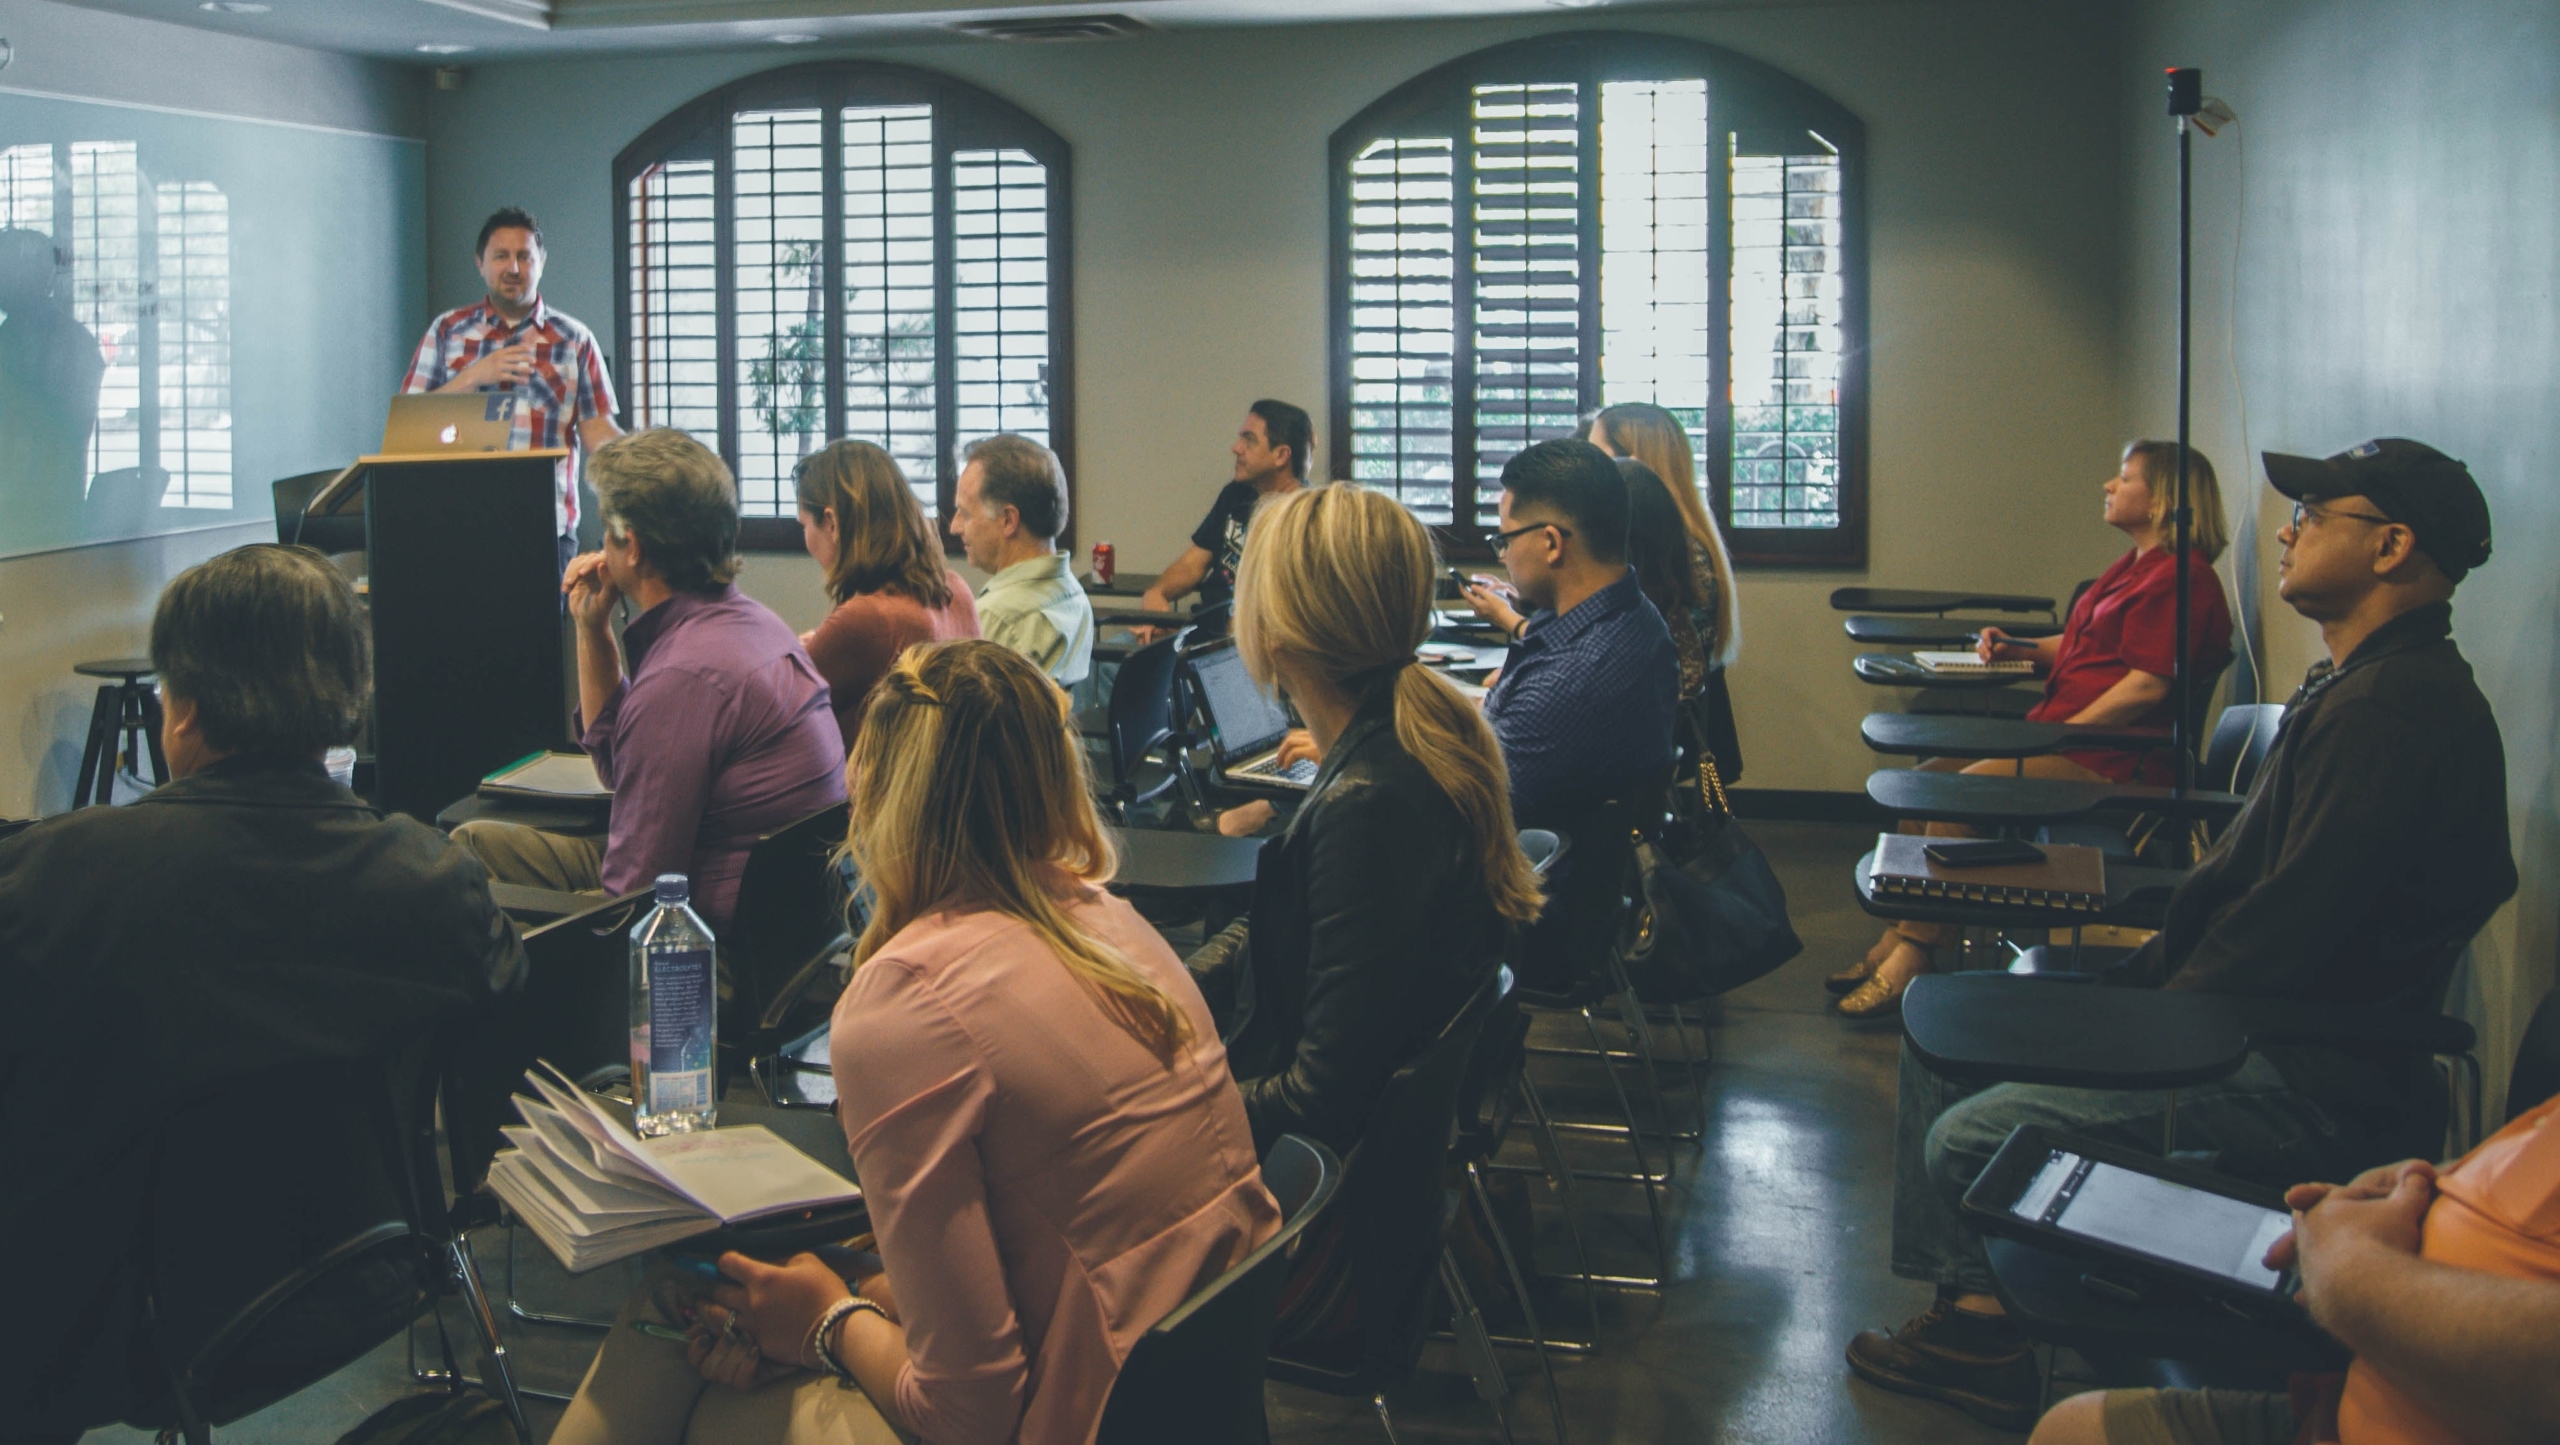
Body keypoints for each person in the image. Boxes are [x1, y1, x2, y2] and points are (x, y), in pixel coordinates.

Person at [1847, 438, 2517, 1433]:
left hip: (2295, 1064)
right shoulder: (2355, 686)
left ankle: (1988, 1337)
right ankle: (1976, 1316)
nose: (2286, 529)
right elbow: (2246, 902)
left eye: (2314, 514)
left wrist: (2125, 1022)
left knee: (1969, 1130)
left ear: (2391, 546)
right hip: (2231, 1012)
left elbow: (2282, 938)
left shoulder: (2393, 715)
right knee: (1938, 1028)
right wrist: (2118, 996)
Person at [550, 640, 1279, 1445]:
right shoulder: (1116, 924)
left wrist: (828, 1320)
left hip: (1080, 1409)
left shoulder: (908, 1003)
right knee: (699, 1303)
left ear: (878, 800)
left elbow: (971, 1416)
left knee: (697, 1365)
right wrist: (850, 1302)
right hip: (1170, 1391)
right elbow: (1039, 1250)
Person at [0, 544, 524, 1443]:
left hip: (111, 1332)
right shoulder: (436, 882)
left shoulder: (57, 881)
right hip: (360, 1275)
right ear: (343, 702)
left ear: (186, 707)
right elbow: (498, 1001)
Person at [1185, 484, 1544, 1157]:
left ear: (1278, 630)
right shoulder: (1408, 741)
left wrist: (1159, 1108)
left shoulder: (1369, 803)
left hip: (1318, 1191)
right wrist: (1169, 986)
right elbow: (1290, 922)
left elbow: (1320, 1098)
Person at [1828, 440, 2237, 1020]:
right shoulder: (2135, 569)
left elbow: (2148, 685)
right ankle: (1897, 936)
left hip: (2109, 761)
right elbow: (2077, 647)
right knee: (1923, 785)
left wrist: (2060, 734)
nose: (2108, 486)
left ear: (2164, 500)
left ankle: (1915, 953)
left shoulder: (2182, 581)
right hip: (2070, 740)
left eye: (2124, 478)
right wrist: (2012, 647)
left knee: (1957, 795)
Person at [452, 429, 846, 931]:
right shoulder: (753, 624)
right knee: (474, 844)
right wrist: (592, 631)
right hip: (778, 930)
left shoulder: (683, 680)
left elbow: (632, 900)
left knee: (468, 900)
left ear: (631, 547)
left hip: (701, 950)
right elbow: (622, 769)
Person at [2028, 1106, 2560, 1445]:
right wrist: (2428, 1184)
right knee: (2073, 1429)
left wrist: (2347, 1265)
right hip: (2354, 1402)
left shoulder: (2347, 1273)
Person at [1462, 437, 1680, 832]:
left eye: (1505, 540)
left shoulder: (1573, 677)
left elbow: (1471, 805)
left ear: (1551, 543)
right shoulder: (1630, 614)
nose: (1503, 555)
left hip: (1526, 875)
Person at [401, 207, 623, 571]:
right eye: (501, 256)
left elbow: (599, 431)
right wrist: (471, 377)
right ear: (480, 263)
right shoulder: (448, 331)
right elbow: (407, 427)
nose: (513, 268)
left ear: (541, 263)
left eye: (524, 256)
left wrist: (649, 471)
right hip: (457, 527)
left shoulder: (574, 339)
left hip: (546, 530)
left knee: (539, 631)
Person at [792, 440, 979, 748]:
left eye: (805, 525)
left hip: (876, 794)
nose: (807, 540)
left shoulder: (866, 618)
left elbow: (774, 714)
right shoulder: (956, 589)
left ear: (832, 523)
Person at [1584, 401, 1742, 670]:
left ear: (1630, 466)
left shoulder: (1667, 549)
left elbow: (1621, 651)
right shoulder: (1688, 538)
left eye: (1596, 457)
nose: (1586, 471)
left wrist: (1514, 622)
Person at [1135, 399, 1312, 628]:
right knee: (1110, 659)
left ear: (1281, 455)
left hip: (1244, 649)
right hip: (1200, 630)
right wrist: (1157, 596)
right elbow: (1192, 565)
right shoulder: (1237, 494)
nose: (1236, 448)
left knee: (1122, 664)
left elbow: (1279, 618)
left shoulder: (1306, 517)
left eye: (1249, 440)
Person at [947, 432, 1094, 688]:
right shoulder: (1074, 596)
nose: (954, 527)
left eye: (965, 514)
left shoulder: (996, 618)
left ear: (1008, 520)